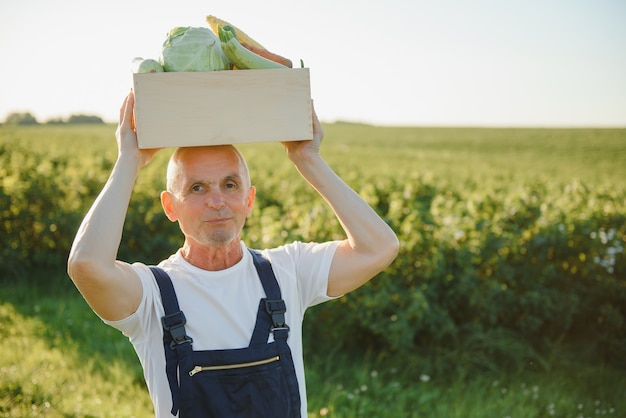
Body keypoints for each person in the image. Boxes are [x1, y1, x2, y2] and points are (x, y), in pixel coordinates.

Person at [67, 91, 399, 418]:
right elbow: (87, 265)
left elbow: (379, 247)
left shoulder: (287, 271)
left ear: (249, 199)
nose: (217, 201)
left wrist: (308, 160)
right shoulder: (152, 294)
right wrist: (130, 159)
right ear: (170, 206)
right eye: (197, 188)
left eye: (230, 185)